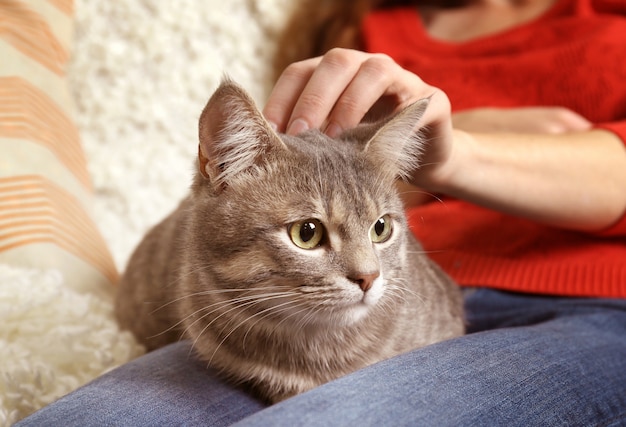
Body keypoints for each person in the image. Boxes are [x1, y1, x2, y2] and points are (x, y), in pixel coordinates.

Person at [17, 0, 626, 425]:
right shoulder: (360, 30)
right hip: (315, 307)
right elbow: (319, 184)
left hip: (586, 305)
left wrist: (461, 149)